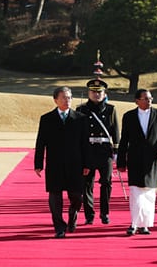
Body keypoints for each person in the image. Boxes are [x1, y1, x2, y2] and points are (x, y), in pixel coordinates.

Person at [34, 86, 91, 238]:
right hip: (55, 164)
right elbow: (41, 142)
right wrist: (38, 164)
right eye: (64, 97)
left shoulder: (80, 118)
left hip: (76, 164)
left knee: (77, 197)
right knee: (54, 198)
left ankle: (73, 214)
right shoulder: (46, 119)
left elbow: (85, 143)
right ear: (55, 100)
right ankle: (59, 227)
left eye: (70, 97)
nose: (68, 100)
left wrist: (87, 164)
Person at [117, 89, 157, 235]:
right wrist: (121, 161)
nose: (149, 101)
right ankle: (134, 224)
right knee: (136, 191)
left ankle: (145, 225)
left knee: (148, 192)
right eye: (145, 99)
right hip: (134, 158)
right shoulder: (128, 116)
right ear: (137, 101)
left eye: (150, 98)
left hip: (152, 159)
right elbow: (124, 140)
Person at [76, 78, 119, 225]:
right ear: (88, 93)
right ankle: (89, 215)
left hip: (104, 151)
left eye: (99, 92)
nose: (96, 95)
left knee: (106, 183)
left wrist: (116, 153)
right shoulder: (81, 109)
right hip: (87, 151)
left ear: (104, 93)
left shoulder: (110, 109)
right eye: (93, 92)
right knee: (87, 184)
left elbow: (115, 132)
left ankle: (105, 213)